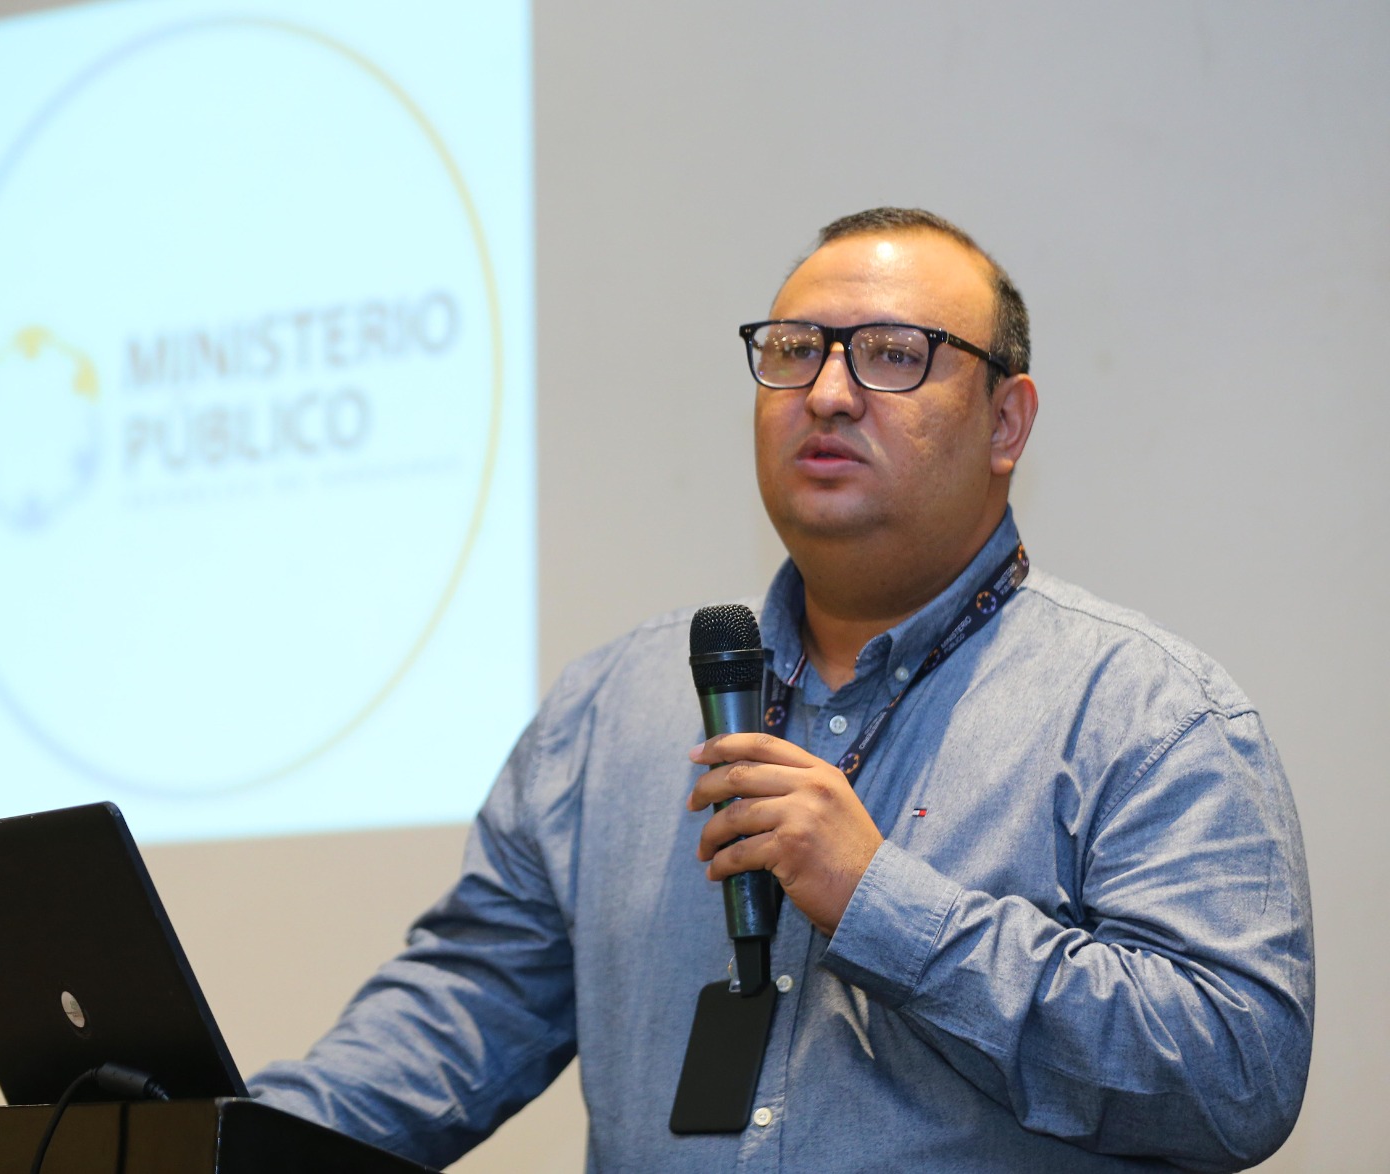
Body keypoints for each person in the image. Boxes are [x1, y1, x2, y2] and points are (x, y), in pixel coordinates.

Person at [247, 208, 1314, 1171]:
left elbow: (1236, 1076)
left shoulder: (1146, 712)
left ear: (1006, 423)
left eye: (893, 354)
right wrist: (217, 1135)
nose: (828, 393)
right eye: (795, 351)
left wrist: (881, 903)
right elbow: (455, 1018)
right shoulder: (610, 710)